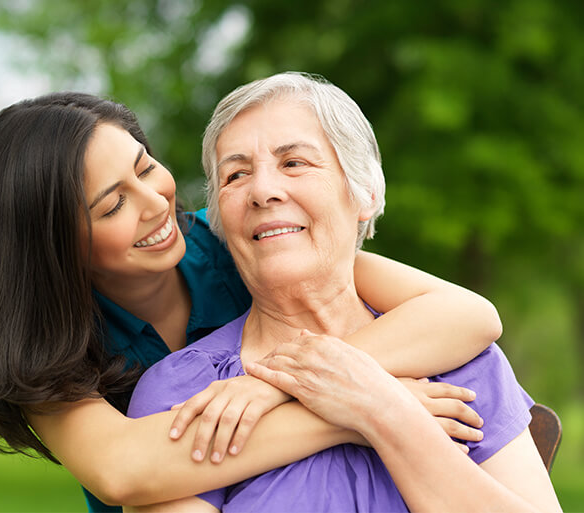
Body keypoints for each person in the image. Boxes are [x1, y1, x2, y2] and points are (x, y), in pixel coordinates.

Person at [0, 91, 501, 512]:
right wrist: (366, 410)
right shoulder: (44, 346)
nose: (156, 204)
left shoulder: (248, 243)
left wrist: (265, 383)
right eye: (113, 204)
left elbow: (466, 315)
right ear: (54, 245)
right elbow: (123, 469)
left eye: (145, 168)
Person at [125, 72, 561, 512]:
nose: (262, 191)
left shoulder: (459, 359)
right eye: (235, 175)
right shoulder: (186, 394)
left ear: (366, 193)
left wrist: (381, 409)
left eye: (294, 162)